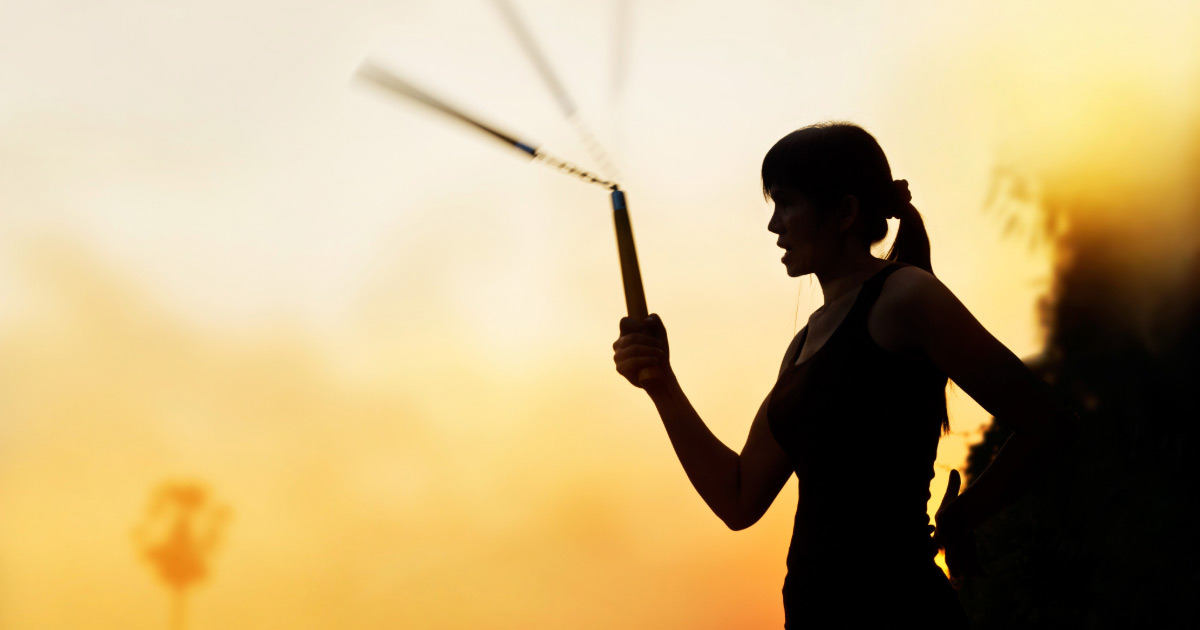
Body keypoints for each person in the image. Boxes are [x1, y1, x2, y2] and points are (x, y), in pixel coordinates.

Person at [611, 122, 1077, 628]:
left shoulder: (906, 297)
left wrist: (965, 514)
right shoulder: (803, 345)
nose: (774, 225)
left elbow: (1047, 422)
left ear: (845, 213)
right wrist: (662, 385)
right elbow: (739, 498)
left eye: (786, 203)